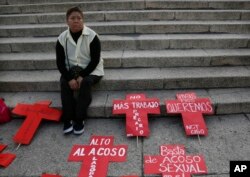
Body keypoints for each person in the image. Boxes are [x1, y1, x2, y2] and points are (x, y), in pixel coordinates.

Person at [56, 7, 104, 135]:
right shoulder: (62, 38)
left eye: (79, 18)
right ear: (67, 21)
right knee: (64, 83)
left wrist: (82, 75)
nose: (76, 21)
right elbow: (60, 63)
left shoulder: (92, 36)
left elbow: (95, 60)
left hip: (92, 69)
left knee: (86, 82)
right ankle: (68, 118)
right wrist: (70, 78)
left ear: (83, 20)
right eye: (72, 18)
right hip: (72, 69)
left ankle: (79, 118)